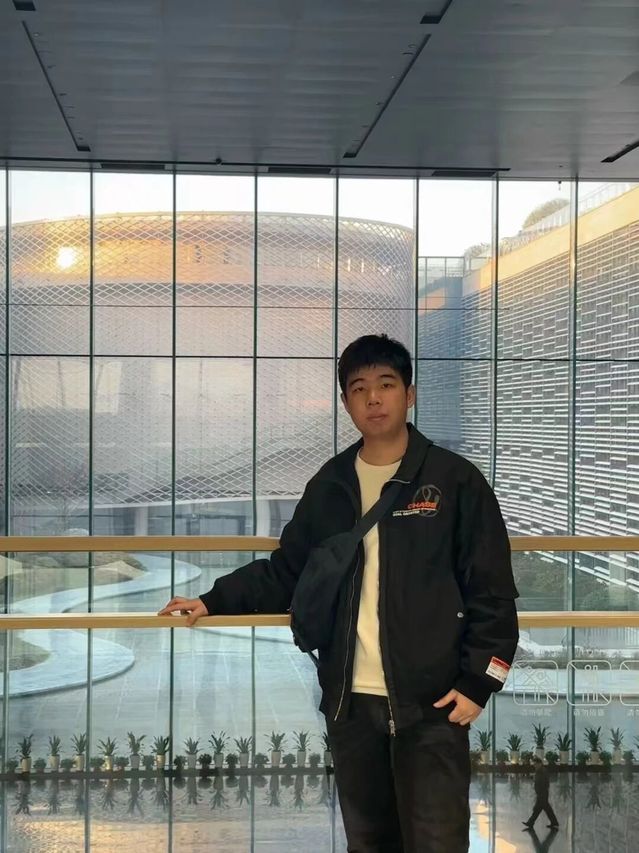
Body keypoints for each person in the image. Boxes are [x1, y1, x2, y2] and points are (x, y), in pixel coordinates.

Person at [159, 334, 520, 852]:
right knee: (368, 842)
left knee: (437, 842)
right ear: (347, 402)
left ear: (409, 395)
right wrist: (213, 600)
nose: (373, 398)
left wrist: (479, 682)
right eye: (358, 388)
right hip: (350, 706)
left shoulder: (453, 481)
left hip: (433, 705)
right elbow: (288, 570)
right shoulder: (330, 485)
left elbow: (492, 589)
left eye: (386, 385)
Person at [523, 757, 559, 831]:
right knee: (542, 809)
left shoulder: (542, 771)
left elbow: (542, 782)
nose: (534, 765)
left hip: (542, 793)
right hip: (542, 793)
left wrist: (540, 792)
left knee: (539, 809)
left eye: (535, 764)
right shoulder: (540, 771)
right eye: (534, 764)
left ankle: (531, 822)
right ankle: (553, 822)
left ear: (540, 764)